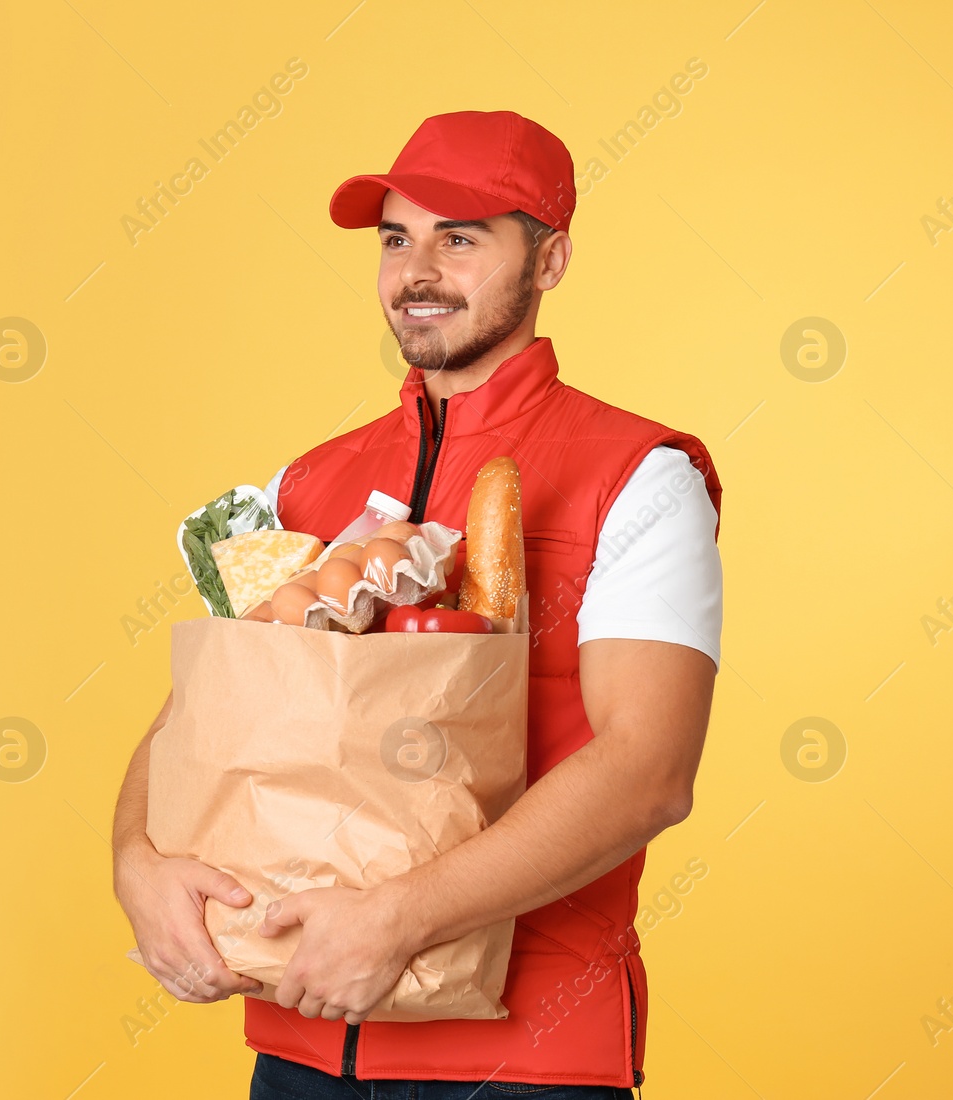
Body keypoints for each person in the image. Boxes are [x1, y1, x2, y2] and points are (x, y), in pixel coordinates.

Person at [112, 110, 723, 1098]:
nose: (417, 269)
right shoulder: (306, 480)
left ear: (551, 258)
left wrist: (397, 916)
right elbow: (205, 708)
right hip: (301, 1035)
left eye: (461, 237)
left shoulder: (637, 476)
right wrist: (135, 857)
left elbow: (647, 769)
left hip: (524, 1057)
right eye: (396, 238)